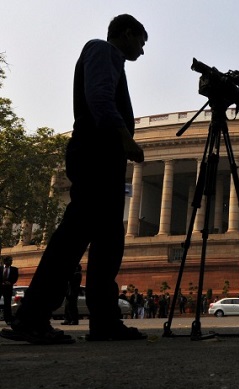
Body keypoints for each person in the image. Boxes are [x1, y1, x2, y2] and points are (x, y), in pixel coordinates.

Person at [0, 14, 148, 344]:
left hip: (99, 156)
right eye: (141, 41)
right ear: (126, 34)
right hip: (97, 154)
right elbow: (98, 98)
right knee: (80, 237)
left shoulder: (111, 59)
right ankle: (35, 317)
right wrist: (126, 138)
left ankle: (101, 321)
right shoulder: (102, 50)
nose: (142, 49)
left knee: (104, 239)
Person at [1, 256, 19, 324]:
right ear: (5, 261)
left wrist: (11, 282)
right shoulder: (0, 268)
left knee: (7, 305)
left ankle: (8, 319)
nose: (11, 262)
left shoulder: (14, 269)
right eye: (10, 261)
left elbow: (15, 278)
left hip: (8, 289)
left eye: (11, 261)